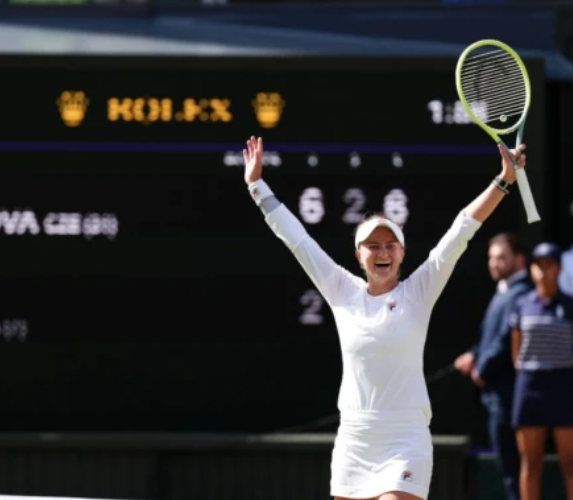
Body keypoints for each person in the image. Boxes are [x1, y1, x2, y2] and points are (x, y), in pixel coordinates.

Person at [242, 135, 527, 500]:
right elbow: (297, 239)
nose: (382, 252)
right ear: (359, 255)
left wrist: (503, 181)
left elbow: (462, 229)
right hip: (354, 440)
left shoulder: (419, 290)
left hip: (405, 438)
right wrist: (256, 185)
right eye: (372, 246)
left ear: (402, 253)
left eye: (389, 245)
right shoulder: (341, 289)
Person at [454, 232, 532, 500]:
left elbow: (505, 341)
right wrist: (474, 355)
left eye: (501, 258)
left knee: (515, 469)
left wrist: (481, 370)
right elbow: (489, 337)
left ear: (519, 259)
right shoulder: (504, 292)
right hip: (497, 397)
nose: (494, 264)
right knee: (509, 468)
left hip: (508, 397)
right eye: (491, 258)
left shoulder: (521, 294)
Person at [510, 242, 573, 500]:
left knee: (570, 464)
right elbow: (516, 351)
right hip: (529, 387)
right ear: (531, 268)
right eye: (538, 265)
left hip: (563, 386)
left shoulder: (570, 307)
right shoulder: (521, 305)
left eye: (549, 265)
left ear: (559, 268)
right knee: (531, 462)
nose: (543, 271)